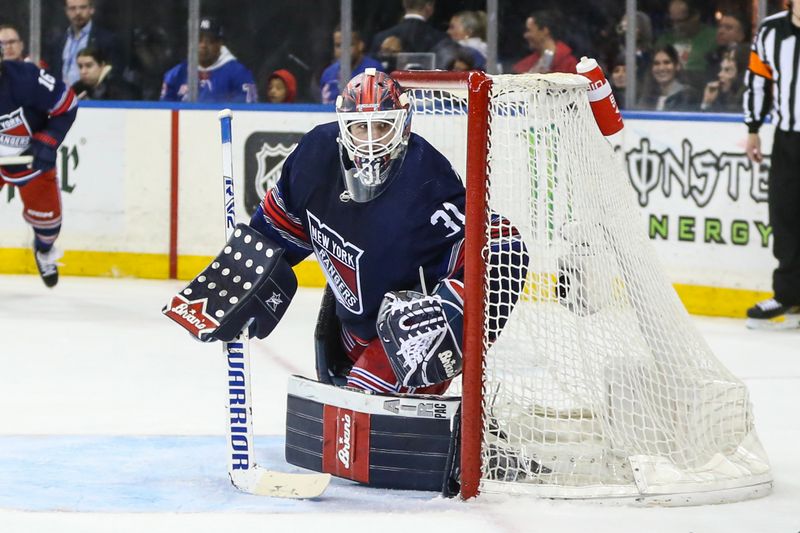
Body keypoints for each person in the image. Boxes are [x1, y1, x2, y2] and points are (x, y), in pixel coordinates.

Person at [169, 69, 526, 395]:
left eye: (382, 126)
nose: (370, 140)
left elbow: (506, 246)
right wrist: (236, 283)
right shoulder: (315, 155)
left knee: (358, 437)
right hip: (346, 334)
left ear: (403, 125)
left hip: (406, 345)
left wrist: (453, 306)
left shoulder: (428, 180)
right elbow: (275, 234)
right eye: (360, 127)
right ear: (344, 125)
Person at [743, 4, 800, 327]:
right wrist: (753, 129)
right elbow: (758, 81)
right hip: (789, 138)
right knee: (785, 215)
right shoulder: (771, 31)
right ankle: (789, 296)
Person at [0, 57, 78, 287]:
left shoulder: (25, 79)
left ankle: (44, 251)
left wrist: (48, 139)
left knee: (48, 225)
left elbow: (67, 105)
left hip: (29, 162)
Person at [160, 17, 256, 103]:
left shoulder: (239, 73)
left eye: (210, 40)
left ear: (220, 44)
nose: (203, 45)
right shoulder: (176, 74)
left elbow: (248, 112)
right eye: (198, 39)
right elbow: (164, 113)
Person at [48, 0, 122, 87]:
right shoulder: (58, 41)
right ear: (66, 11)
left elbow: (114, 73)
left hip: (91, 98)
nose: (78, 12)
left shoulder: (106, 40)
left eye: (83, 7)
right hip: (62, 97)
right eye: (72, 8)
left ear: (92, 9)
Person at [654, 0, 717, 89]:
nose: (676, 26)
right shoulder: (664, 40)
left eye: (680, 21)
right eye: (672, 21)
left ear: (695, 16)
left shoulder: (714, 37)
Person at [319, 27, 382, 105]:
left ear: (360, 45)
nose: (343, 50)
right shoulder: (328, 73)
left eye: (348, 45)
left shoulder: (374, 69)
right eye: (338, 45)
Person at [369, 0, 446, 56]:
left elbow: (372, 73)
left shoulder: (380, 38)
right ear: (429, 7)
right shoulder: (440, 39)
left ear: (404, 3)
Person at [512, 10, 578, 74]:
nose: (525, 35)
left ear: (545, 30)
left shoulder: (569, 64)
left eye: (529, 30)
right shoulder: (524, 66)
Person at [638, 45, 697, 111]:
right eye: (656, 63)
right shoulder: (647, 96)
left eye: (667, 62)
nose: (661, 68)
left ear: (677, 65)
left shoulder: (687, 95)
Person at [71, 47, 141, 100]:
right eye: (80, 67)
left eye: (89, 66)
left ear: (102, 65)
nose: (83, 71)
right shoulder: (77, 88)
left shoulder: (118, 88)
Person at [699, 47, 747, 112]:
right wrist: (707, 102)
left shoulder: (749, 97)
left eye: (727, 70)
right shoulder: (721, 95)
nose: (720, 75)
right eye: (721, 69)